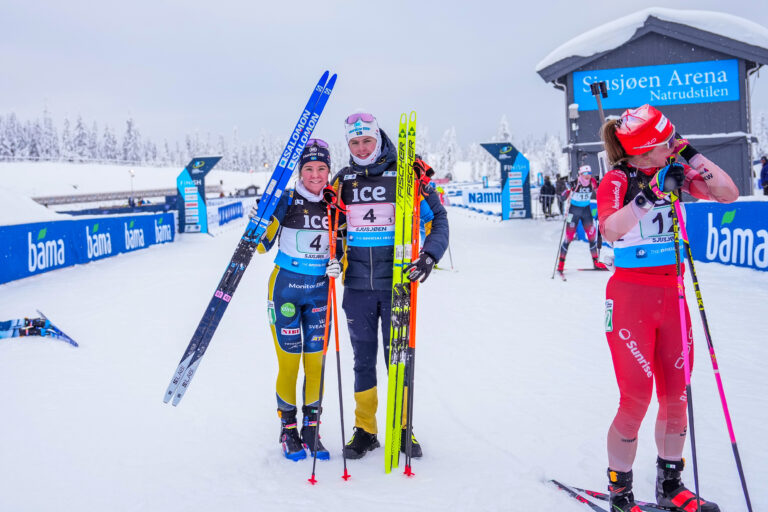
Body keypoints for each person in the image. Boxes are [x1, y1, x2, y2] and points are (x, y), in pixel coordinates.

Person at [597, 104, 737, 512]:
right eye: (666, 144)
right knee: (635, 399)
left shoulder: (675, 169)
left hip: (671, 297)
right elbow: (609, 228)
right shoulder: (618, 179)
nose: (672, 149)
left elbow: (727, 191)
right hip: (629, 298)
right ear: (644, 150)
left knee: (676, 397)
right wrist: (653, 193)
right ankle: (620, 493)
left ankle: (669, 484)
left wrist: (689, 153)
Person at [329, 112, 449, 460]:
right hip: (356, 288)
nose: (362, 148)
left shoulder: (408, 174)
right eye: (355, 142)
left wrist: (429, 255)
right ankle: (365, 430)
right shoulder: (343, 181)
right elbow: (334, 227)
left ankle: (402, 426)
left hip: (397, 285)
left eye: (367, 140)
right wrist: (332, 257)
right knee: (363, 362)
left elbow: (438, 218)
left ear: (378, 140)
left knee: (397, 360)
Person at [253, 139, 340, 461]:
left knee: (315, 362)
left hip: (320, 290)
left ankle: (312, 428)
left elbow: (341, 246)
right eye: (308, 169)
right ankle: (288, 429)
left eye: (321, 169)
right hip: (285, 288)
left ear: (328, 171)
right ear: (300, 172)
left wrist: (338, 263)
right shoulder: (286, 199)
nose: (315, 175)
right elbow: (262, 246)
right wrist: (260, 220)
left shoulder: (335, 202)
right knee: (289, 363)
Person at [556, 165, 606, 273]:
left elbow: (599, 193)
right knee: (568, 238)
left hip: (586, 211)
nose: (587, 176)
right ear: (580, 174)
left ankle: (596, 263)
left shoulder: (592, 182)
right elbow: (562, 197)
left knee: (592, 237)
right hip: (573, 212)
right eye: (585, 174)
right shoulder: (575, 183)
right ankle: (561, 264)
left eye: (589, 174)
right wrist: (567, 189)